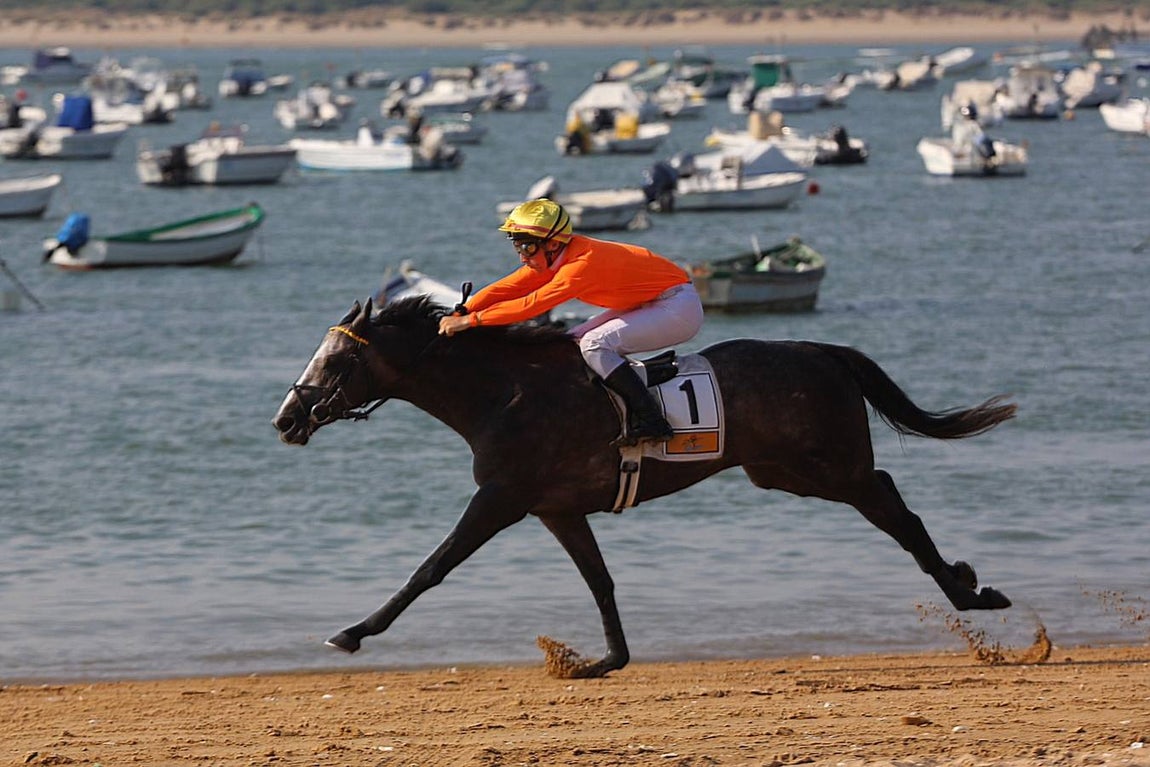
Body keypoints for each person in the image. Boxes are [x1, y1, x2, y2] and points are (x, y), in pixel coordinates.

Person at [438, 199, 704, 445]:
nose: (522, 256)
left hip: (677, 307)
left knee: (594, 344)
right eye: (517, 246)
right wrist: (463, 308)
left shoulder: (580, 266)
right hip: (650, 302)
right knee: (572, 342)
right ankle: (637, 384)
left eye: (527, 246)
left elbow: (531, 304)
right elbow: (511, 286)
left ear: (552, 243)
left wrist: (472, 321)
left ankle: (653, 421)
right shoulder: (560, 255)